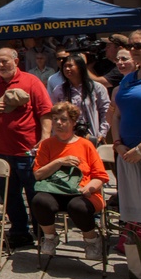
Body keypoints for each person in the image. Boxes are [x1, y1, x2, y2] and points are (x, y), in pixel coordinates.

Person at [0, 48, 53, 249]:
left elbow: (46, 112)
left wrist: (45, 139)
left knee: (35, 194)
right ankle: (20, 232)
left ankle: (43, 232)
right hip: (2, 152)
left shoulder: (31, 82)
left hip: (28, 151)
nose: (0, 66)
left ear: (16, 61)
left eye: (4, 61)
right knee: (10, 197)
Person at [32, 102, 109, 260]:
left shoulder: (86, 145)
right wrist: (59, 162)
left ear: (73, 122)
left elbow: (100, 176)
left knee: (78, 206)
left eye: (63, 119)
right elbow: (38, 175)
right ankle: (50, 237)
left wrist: (89, 188)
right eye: (55, 119)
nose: (58, 123)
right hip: (54, 190)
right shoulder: (47, 145)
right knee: (39, 201)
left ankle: (91, 240)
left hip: (82, 191)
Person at [111, 30, 141, 279]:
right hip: (127, 155)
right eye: (130, 45)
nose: (132, 49)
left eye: (138, 45)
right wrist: (118, 143)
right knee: (137, 217)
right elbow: (117, 114)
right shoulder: (128, 79)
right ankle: (140, 267)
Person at [50, 53, 110, 146]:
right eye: (65, 67)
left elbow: (106, 112)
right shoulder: (59, 90)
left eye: (70, 66)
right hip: (67, 137)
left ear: (80, 67)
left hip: (92, 136)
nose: (67, 69)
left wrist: (102, 133)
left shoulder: (96, 88)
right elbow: (53, 113)